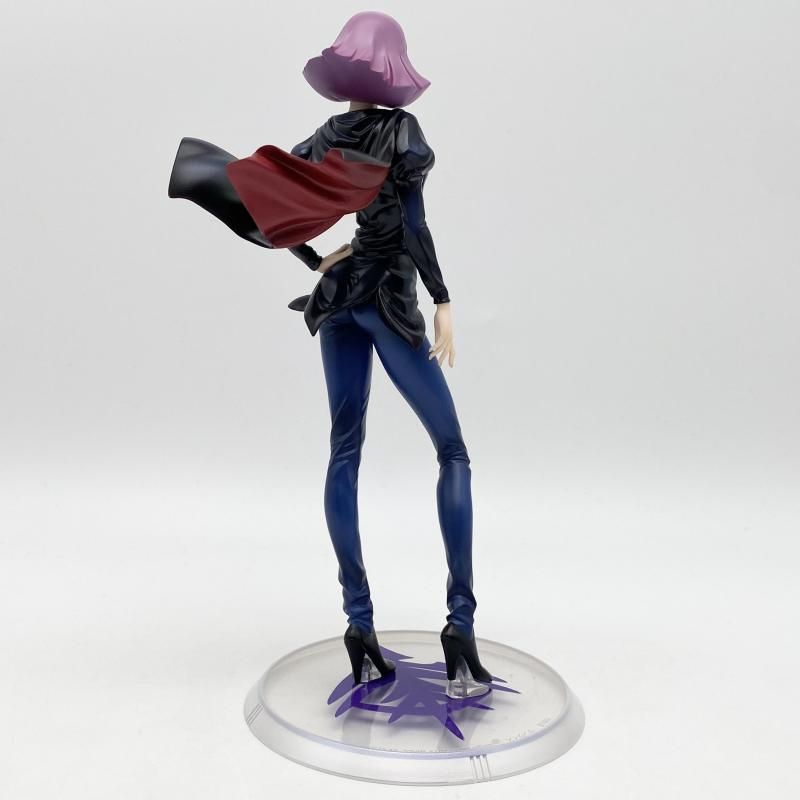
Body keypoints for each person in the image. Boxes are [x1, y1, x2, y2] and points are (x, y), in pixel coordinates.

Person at [168, 11, 492, 699]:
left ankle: (358, 626)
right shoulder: (401, 133)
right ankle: (459, 628)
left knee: (345, 452)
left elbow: (276, 202)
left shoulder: (329, 134)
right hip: (388, 303)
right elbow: (411, 224)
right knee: (452, 451)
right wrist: (442, 298)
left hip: (340, 297)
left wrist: (320, 257)